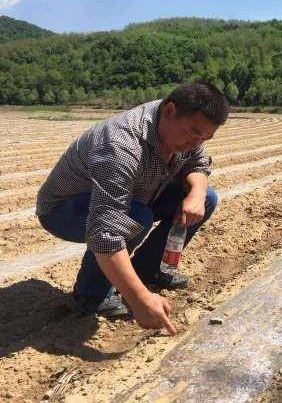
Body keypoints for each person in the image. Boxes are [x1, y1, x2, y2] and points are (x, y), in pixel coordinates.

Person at [36, 81, 229, 334]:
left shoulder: (180, 130)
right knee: (137, 216)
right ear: (170, 111)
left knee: (206, 198)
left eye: (205, 137)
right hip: (64, 209)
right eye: (193, 133)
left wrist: (196, 192)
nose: (197, 142)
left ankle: (147, 272)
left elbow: (199, 162)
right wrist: (139, 299)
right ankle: (91, 296)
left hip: (135, 196)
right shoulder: (121, 145)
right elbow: (104, 232)